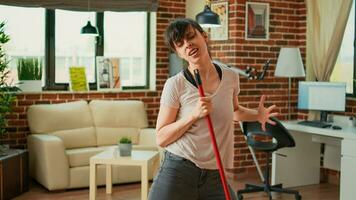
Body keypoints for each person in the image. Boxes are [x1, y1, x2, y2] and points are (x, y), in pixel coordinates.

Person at [148, 18, 278, 200]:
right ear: (178, 52)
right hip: (179, 169)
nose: (188, 44)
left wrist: (258, 115)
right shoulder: (175, 84)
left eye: (191, 36)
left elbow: (234, 111)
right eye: (180, 44)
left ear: (204, 36)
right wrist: (193, 115)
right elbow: (161, 137)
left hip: (215, 173)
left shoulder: (231, 77)